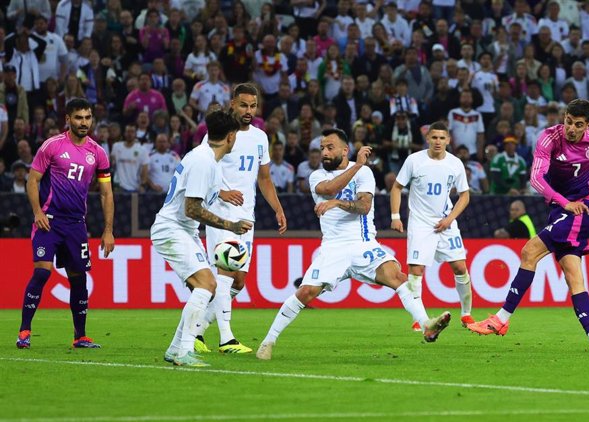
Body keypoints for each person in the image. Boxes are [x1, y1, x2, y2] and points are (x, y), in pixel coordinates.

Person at [468, 99, 589, 352]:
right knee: (573, 275)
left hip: (582, 208)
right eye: (568, 121)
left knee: (529, 251)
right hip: (563, 208)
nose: (571, 128)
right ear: (564, 116)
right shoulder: (548, 138)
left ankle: (500, 320)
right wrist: (563, 202)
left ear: (587, 125)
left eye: (578, 125)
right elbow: (536, 179)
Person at [255, 129, 452, 360]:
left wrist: (339, 199)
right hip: (334, 247)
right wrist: (355, 167)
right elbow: (328, 190)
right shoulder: (317, 176)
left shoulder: (365, 172)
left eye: (330, 148)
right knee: (306, 292)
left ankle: (426, 324)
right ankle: (268, 341)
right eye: (322, 149)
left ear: (344, 150)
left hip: (363, 244)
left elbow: (364, 206)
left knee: (399, 277)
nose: (324, 153)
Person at [152, 109, 252, 367]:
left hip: (185, 230)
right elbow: (192, 209)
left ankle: (176, 348)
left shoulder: (208, 160)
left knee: (207, 288)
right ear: (231, 137)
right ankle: (184, 352)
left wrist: (224, 195)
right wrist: (230, 225)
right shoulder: (203, 161)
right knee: (206, 284)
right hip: (172, 227)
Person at [196, 83, 287, 354]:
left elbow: (264, 177)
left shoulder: (260, 137)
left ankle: (196, 330)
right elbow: (202, 168)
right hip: (220, 213)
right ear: (232, 103)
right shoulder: (219, 132)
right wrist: (221, 192)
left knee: (238, 281)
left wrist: (277, 208)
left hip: (247, 215)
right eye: (244, 105)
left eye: (253, 106)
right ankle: (226, 339)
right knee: (225, 274)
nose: (249, 111)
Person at [16, 98, 114, 349]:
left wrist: (108, 230)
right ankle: (24, 331)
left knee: (78, 278)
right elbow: (33, 180)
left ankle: (80, 336)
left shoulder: (98, 153)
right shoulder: (52, 146)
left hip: (76, 224)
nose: (84, 122)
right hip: (48, 221)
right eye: (79, 117)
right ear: (68, 119)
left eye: (88, 117)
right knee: (42, 271)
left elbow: (106, 193)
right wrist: (37, 212)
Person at [389, 122, 474, 331]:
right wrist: (395, 216)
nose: (438, 142)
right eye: (434, 137)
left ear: (448, 140)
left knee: (460, 267)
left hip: (446, 222)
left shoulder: (455, 164)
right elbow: (396, 188)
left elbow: (465, 195)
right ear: (427, 138)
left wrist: (450, 218)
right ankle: (420, 318)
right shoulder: (414, 160)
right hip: (420, 223)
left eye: (442, 138)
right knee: (416, 271)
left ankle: (466, 315)